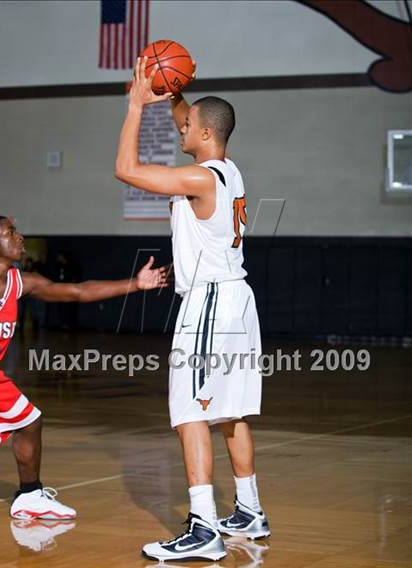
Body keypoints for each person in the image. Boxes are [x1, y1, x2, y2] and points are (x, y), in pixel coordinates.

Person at [115, 58, 270, 562]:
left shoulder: (201, 178)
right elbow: (195, 120)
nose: (180, 127)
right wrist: (172, 94)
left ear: (204, 133)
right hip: (237, 300)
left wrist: (137, 106)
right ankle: (248, 510)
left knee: (190, 413)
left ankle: (203, 527)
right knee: (230, 412)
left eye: (186, 125)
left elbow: (127, 171)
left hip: (208, 303)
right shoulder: (229, 168)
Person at [0, 215, 168, 520]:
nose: (20, 237)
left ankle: (30, 496)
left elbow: (78, 291)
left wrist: (136, 285)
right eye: (11, 232)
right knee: (30, 421)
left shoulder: (20, 282)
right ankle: (30, 495)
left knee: (30, 422)